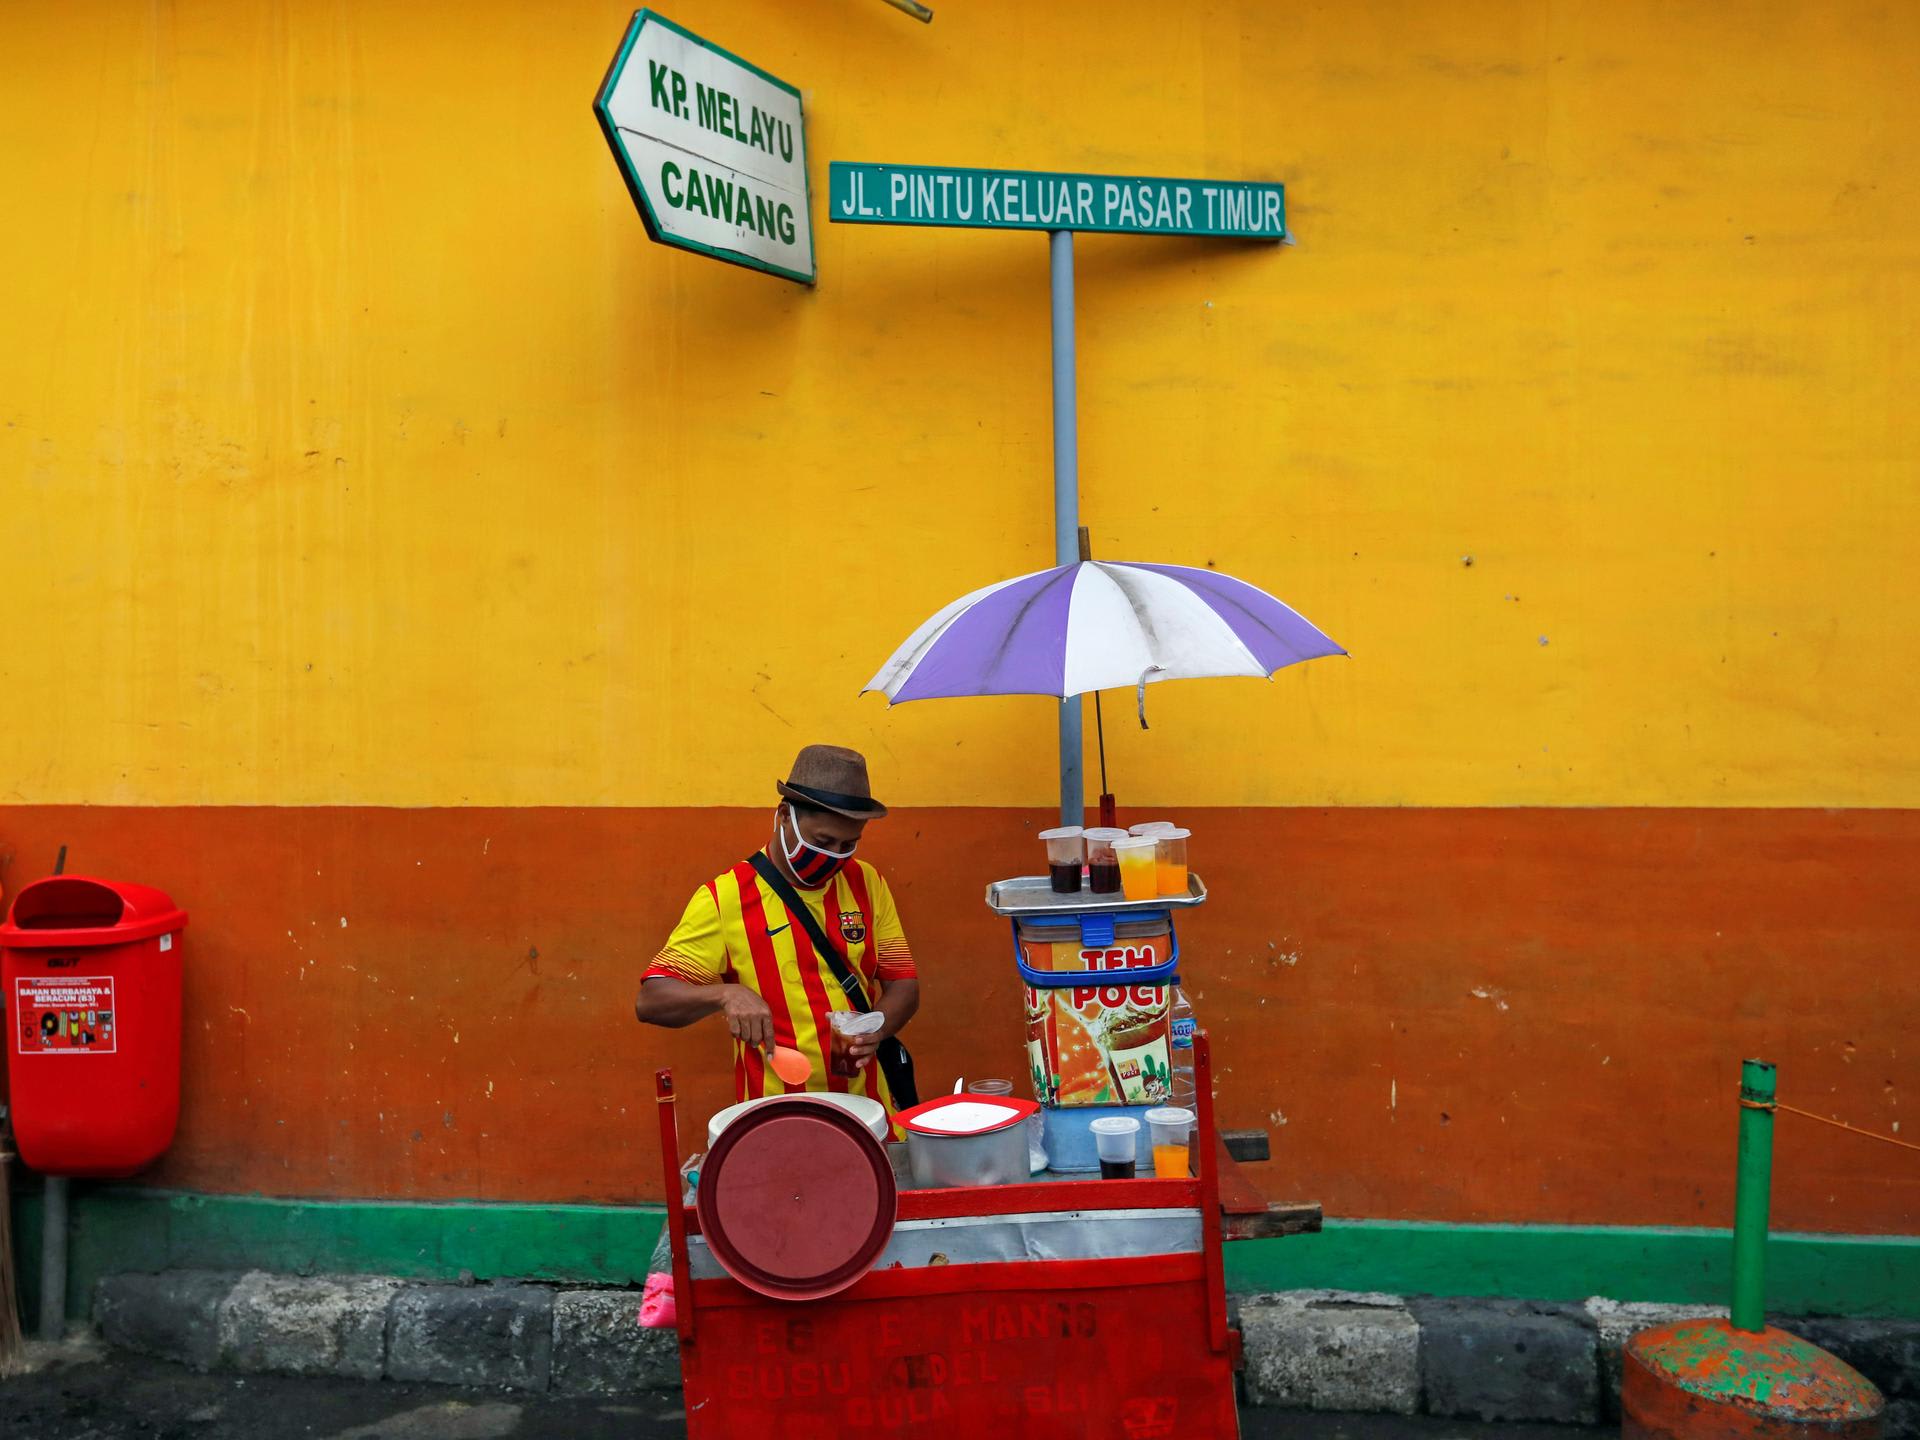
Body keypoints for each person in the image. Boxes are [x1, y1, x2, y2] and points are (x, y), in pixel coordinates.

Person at [636, 744, 920, 1115]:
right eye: (822, 842)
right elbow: (651, 1001)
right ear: (784, 816)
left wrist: (877, 1030)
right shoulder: (726, 898)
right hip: (775, 1119)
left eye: (848, 845)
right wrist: (725, 995)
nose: (834, 855)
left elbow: (904, 984)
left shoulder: (867, 883)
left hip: (869, 1114)